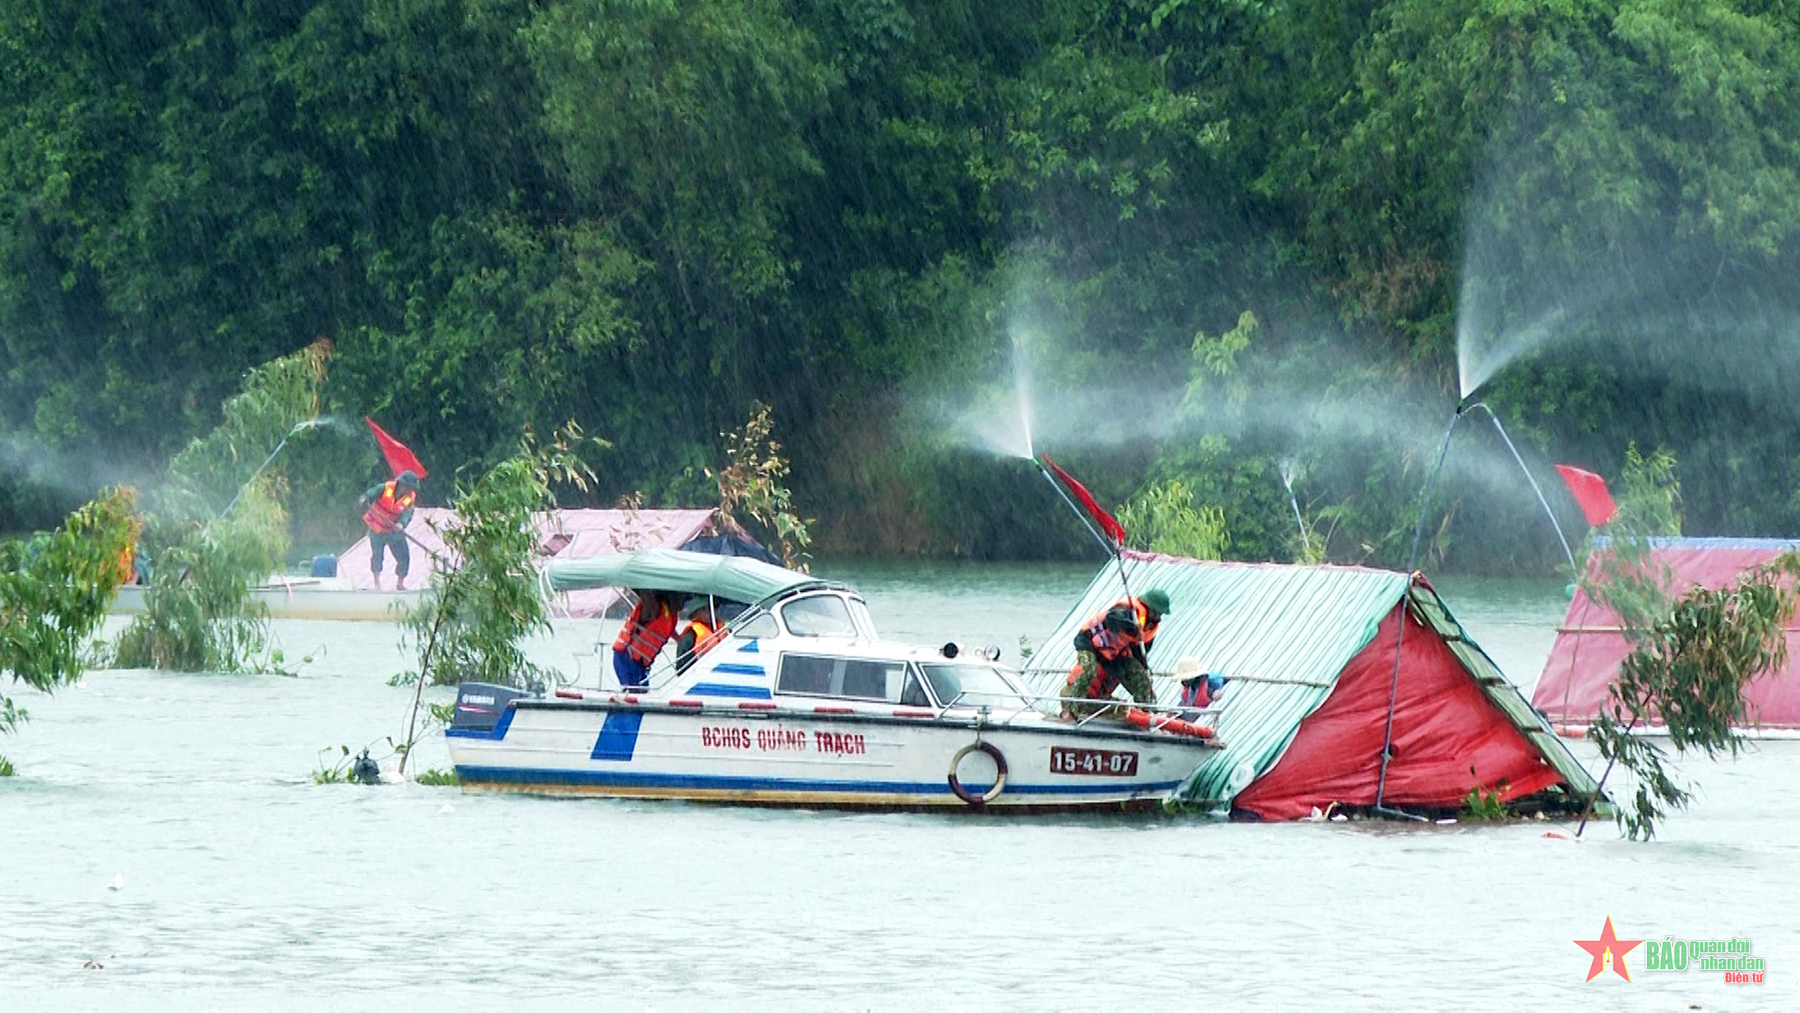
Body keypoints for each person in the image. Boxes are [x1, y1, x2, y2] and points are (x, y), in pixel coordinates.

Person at [1060, 588, 1172, 720]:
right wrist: (1130, 626)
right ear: (1149, 607)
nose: (1159, 617)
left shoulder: (1151, 627)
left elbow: (1140, 652)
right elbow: (1111, 619)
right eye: (1157, 612)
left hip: (1116, 650)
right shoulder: (1128, 610)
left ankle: (1147, 713)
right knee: (1089, 669)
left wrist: (1143, 667)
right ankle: (1072, 710)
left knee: (1141, 678)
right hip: (1090, 642)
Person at [360, 470, 420, 590]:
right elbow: (368, 495)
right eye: (408, 487)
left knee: (404, 556)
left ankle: (400, 584)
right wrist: (363, 500)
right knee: (378, 556)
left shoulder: (409, 498)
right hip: (376, 527)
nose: (409, 491)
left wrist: (401, 524)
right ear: (402, 485)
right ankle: (377, 584)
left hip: (393, 530)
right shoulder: (384, 488)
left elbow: (407, 513)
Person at [613, 589, 684, 689]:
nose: (683, 604)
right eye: (681, 598)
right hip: (627, 657)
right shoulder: (654, 606)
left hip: (640, 663)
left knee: (643, 692)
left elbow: (664, 628)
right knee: (633, 692)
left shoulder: (671, 615)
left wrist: (678, 639)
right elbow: (646, 596)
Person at [674, 600, 727, 673]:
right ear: (696, 613)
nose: (710, 611)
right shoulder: (690, 635)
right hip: (702, 674)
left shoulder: (722, 628)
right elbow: (682, 667)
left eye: (712, 607)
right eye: (704, 609)